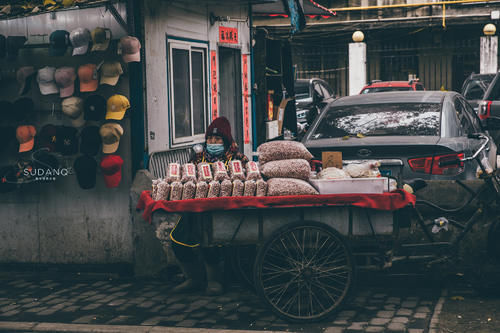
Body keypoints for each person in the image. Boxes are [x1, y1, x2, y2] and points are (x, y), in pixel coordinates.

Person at [169, 116, 248, 295]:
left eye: (218, 139)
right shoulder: (198, 157)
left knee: (212, 242)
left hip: (223, 210)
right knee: (179, 240)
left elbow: (247, 178)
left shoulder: (237, 158)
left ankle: (214, 281)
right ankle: (193, 278)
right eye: (210, 139)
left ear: (226, 141)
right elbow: (186, 177)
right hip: (195, 208)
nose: (213, 142)